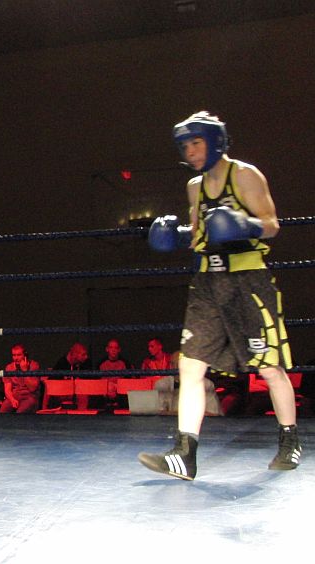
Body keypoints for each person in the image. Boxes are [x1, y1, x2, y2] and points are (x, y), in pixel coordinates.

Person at [139, 111, 301, 480]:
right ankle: (184, 454)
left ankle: (290, 440)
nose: (191, 152)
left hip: (247, 281)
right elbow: (200, 233)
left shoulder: (245, 175)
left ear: (215, 141)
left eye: (196, 143)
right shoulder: (194, 187)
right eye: (185, 145)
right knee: (190, 366)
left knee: (269, 368)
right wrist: (177, 235)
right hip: (207, 283)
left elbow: (272, 224)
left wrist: (243, 225)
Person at [0, 343, 40, 413]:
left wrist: (25, 371)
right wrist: (12, 400)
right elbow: (7, 389)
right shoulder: (9, 368)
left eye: (19, 355)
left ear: (25, 355)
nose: (16, 358)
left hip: (29, 396)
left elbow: (33, 388)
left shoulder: (34, 365)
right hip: (15, 396)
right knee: (3, 411)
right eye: (14, 355)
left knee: (20, 413)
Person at [97, 338, 132, 409]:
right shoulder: (101, 363)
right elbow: (98, 382)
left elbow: (128, 381)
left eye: (116, 348)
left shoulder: (125, 363)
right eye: (111, 347)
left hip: (120, 393)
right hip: (105, 393)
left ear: (119, 350)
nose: (113, 350)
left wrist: (117, 388)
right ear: (107, 349)